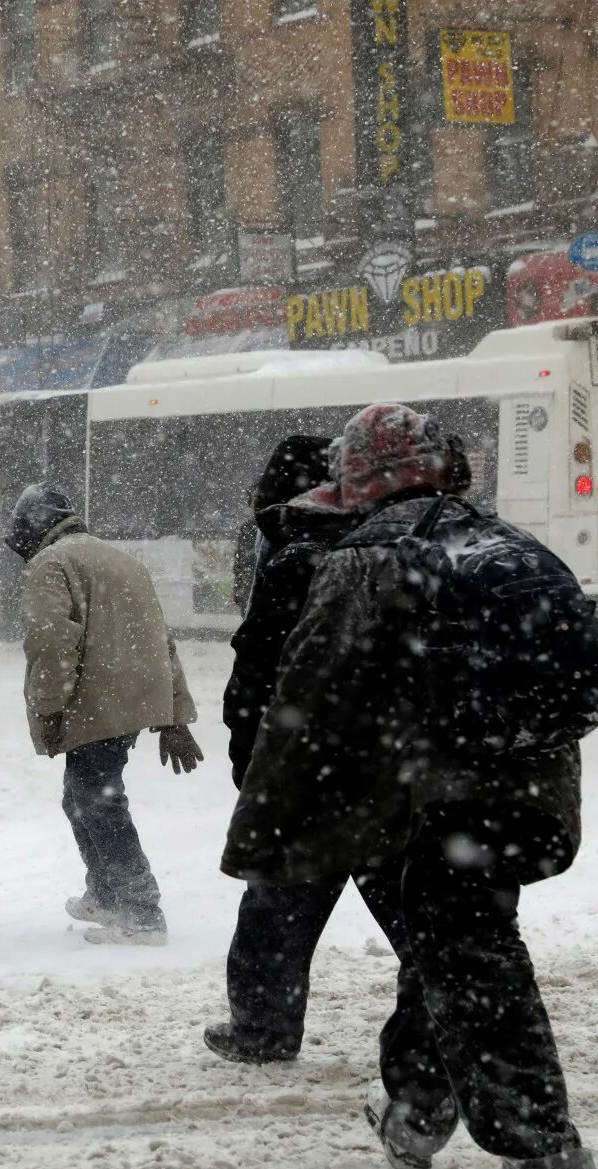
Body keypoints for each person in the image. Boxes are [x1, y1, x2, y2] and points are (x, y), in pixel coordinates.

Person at [225, 403, 598, 1169]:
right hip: (532, 806)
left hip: (439, 801)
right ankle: (419, 1109)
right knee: (448, 944)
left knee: (475, 969)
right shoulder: (506, 541)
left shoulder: (370, 556)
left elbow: (309, 701)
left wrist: (268, 830)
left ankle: (545, 1165)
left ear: (359, 485)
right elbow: (588, 688)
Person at [205, 435, 357, 1064]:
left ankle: (263, 1030)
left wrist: (249, 756)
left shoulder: (290, 554)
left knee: (277, 907)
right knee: (418, 914)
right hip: (388, 761)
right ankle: (447, 1020)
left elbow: (256, 665)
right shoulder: (382, 544)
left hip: (302, 767)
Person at [6, 483, 201, 947]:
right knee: (82, 798)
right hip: (126, 703)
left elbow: (51, 647)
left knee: (97, 802)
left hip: (93, 705)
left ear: (33, 530)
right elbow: (160, 641)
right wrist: (174, 717)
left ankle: (139, 910)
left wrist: (50, 710)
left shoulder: (51, 564)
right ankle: (107, 894)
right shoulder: (123, 560)